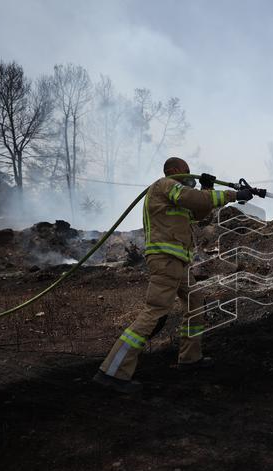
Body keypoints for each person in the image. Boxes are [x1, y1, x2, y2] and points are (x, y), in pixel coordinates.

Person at [92, 157, 254, 393]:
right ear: (175, 171)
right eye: (187, 172)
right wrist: (232, 195)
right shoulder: (165, 185)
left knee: (195, 302)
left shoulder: (176, 197)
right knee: (154, 312)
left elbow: (200, 215)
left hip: (179, 262)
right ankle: (112, 371)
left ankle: (190, 359)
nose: (191, 176)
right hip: (166, 260)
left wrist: (206, 189)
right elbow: (190, 197)